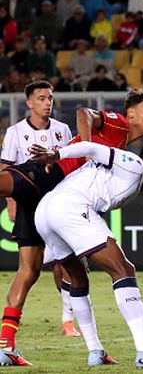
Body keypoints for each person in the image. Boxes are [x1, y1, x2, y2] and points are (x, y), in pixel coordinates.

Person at [0, 86, 143, 366]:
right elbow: (84, 112)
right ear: (131, 113)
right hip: (52, 175)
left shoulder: (122, 147)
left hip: (55, 198)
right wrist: (87, 150)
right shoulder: (118, 123)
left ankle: (5, 346)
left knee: (30, 269)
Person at [32, 141, 143, 368]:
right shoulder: (135, 165)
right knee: (123, 269)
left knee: (78, 279)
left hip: (45, 212)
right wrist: (57, 154)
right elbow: (91, 148)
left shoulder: (134, 182)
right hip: (69, 206)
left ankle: (95, 352)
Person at [0, 81, 78, 339]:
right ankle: (7, 336)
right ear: (29, 103)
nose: (47, 102)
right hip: (29, 204)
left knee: (65, 264)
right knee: (29, 270)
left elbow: (70, 166)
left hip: (58, 203)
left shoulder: (63, 130)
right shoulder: (15, 131)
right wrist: (11, 202)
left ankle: (68, 321)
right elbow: (6, 169)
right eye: (42, 98)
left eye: (50, 98)